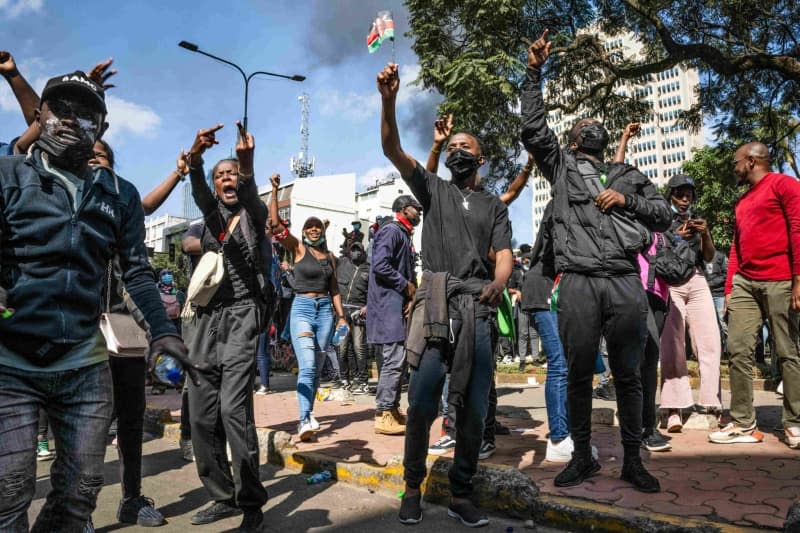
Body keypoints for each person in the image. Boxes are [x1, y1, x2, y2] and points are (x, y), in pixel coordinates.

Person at [0, 69, 191, 532]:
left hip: (83, 363)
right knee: (9, 489)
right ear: (39, 115)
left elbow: (137, 272)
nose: (70, 120)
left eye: (85, 114)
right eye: (60, 109)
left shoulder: (120, 196)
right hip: (11, 363)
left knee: (82, 488)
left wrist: (164, 332)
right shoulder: (7, 175)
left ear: (101, 130)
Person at [521, 30, 672, 493]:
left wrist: (625, 199)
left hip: (626, 281)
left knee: (629, 374)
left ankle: (632, 458)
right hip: (581, 282)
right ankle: (582, 456)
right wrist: (534, 72)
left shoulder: (629, 173)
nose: (591, 125)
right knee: (580, 373)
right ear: (573, 137)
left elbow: (663, 213)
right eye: (583, 122)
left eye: (595, 122)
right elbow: (532, 129)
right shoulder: (562, 166)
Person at [378, 62, 513, 527]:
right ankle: (412, 487)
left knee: (473, 405)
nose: (457, 152)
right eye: (452, 146)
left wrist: (500, 282)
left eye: (465, 148)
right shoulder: (432, 189)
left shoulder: (494, 205)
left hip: (477, 307)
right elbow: (392, 147)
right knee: (421, 400)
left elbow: (504, 254)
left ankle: (461, 490)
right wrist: (389, 100)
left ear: (481, 159)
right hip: (436, 303)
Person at [183, 122, 271, 531]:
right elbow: (199, 190)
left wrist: (247, 161)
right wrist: (198, 159)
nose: (227, 179)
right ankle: (223, 496)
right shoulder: (210, 215)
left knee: (233, 411)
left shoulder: (254, 214)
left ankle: (251, 503)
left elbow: (253, 195)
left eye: (231, 173)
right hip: (204, 322)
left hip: (242, 317)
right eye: (222, 176)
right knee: (201, 417)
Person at [709, 142, 800, 449]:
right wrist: (730, 289)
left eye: (736, 162)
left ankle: (795, 422)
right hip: (745, 282)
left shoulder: (784, 185)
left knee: (787, 351)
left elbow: (798, 230)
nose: (733, 167)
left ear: (750, 161)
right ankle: (744, 422)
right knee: (737, 349)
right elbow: (737, 247)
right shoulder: (743, 200)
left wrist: (799, 280)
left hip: (782, 279)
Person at [269, 173, 348, 442]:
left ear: (323, 232)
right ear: (303, 232)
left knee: (318, 364)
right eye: (309, 226)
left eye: (318, 227)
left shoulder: (330, 258)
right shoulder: (298, 249)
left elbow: (335, 289)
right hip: (302, 307)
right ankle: (303, 419)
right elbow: (276, 226)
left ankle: (309, 412)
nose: (314, 229)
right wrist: (274, 190)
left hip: (326, 310)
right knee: (307, 365)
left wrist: (342, 318)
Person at [614, 121, 672, 452]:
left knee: (650, 360)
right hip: (632, 292)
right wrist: (624, 138)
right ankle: (640, 427)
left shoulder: (659, 219)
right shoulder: (626, 219)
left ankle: (645, 426)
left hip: (659, 297)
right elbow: (617, 172)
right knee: (637, 359)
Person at [659, 174, 722, 431]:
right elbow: (655, 249)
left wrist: (705, 233)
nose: (685, 200)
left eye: (689, 195)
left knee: (709, 341)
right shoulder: (661, 217)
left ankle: (711, 401)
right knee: (673, 345)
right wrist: (675, 236)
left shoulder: (697, 218)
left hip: (696, 279)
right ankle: (674, 408)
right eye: (680, 195)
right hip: (671, 282)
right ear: (670, 194)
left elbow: (708, 256)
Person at [368, 194, 421, 435]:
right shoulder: (392, 231)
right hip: (387, 305)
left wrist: (410, 295)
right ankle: (383, 412)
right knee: (393, 360)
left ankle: (393, 408)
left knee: (397, 360)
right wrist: (406, 285)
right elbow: (380, 265)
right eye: (415, 208)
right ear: (402, 209)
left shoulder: (403, 233)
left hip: (395, 304)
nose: (419, 212)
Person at [334, 241, 371, 394]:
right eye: (353, 250)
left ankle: (362, 382)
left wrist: (368, 306)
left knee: (359, 347)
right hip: (342, 313)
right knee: (341, 347)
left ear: (363, 252)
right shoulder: (342, 264)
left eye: (358, 250)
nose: (356, 252)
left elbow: (374, 292)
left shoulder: (369, 269)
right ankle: (344, 379)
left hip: (358, 313)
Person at [704, 250, 729, 356]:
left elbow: (726, 274)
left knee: (724, 324)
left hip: (719, 295)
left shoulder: (720, 256)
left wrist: (711, 283)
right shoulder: (699, 256)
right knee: (709, 326)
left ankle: (730, 351)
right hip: (705, 296)